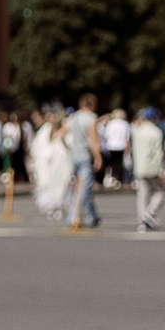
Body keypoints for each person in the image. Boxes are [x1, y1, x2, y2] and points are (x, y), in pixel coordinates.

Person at [65, 93, 101, 229]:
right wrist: (98, 156)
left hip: (73, 155)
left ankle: (92, 216)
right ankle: (73, 216)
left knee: (78, 187)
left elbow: (62, 134)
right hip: (85, 156)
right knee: (84, 188)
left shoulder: (73, 117)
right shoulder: (91, 118)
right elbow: (93, 139)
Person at [131, 103, 165, 232]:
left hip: (139, 166)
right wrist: (162, 169)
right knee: (161, 192)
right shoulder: (155, 132)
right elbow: (158, 153)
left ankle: (141, 222)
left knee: (142, 194)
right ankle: (149, 213)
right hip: (152, 166)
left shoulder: (137, 131)